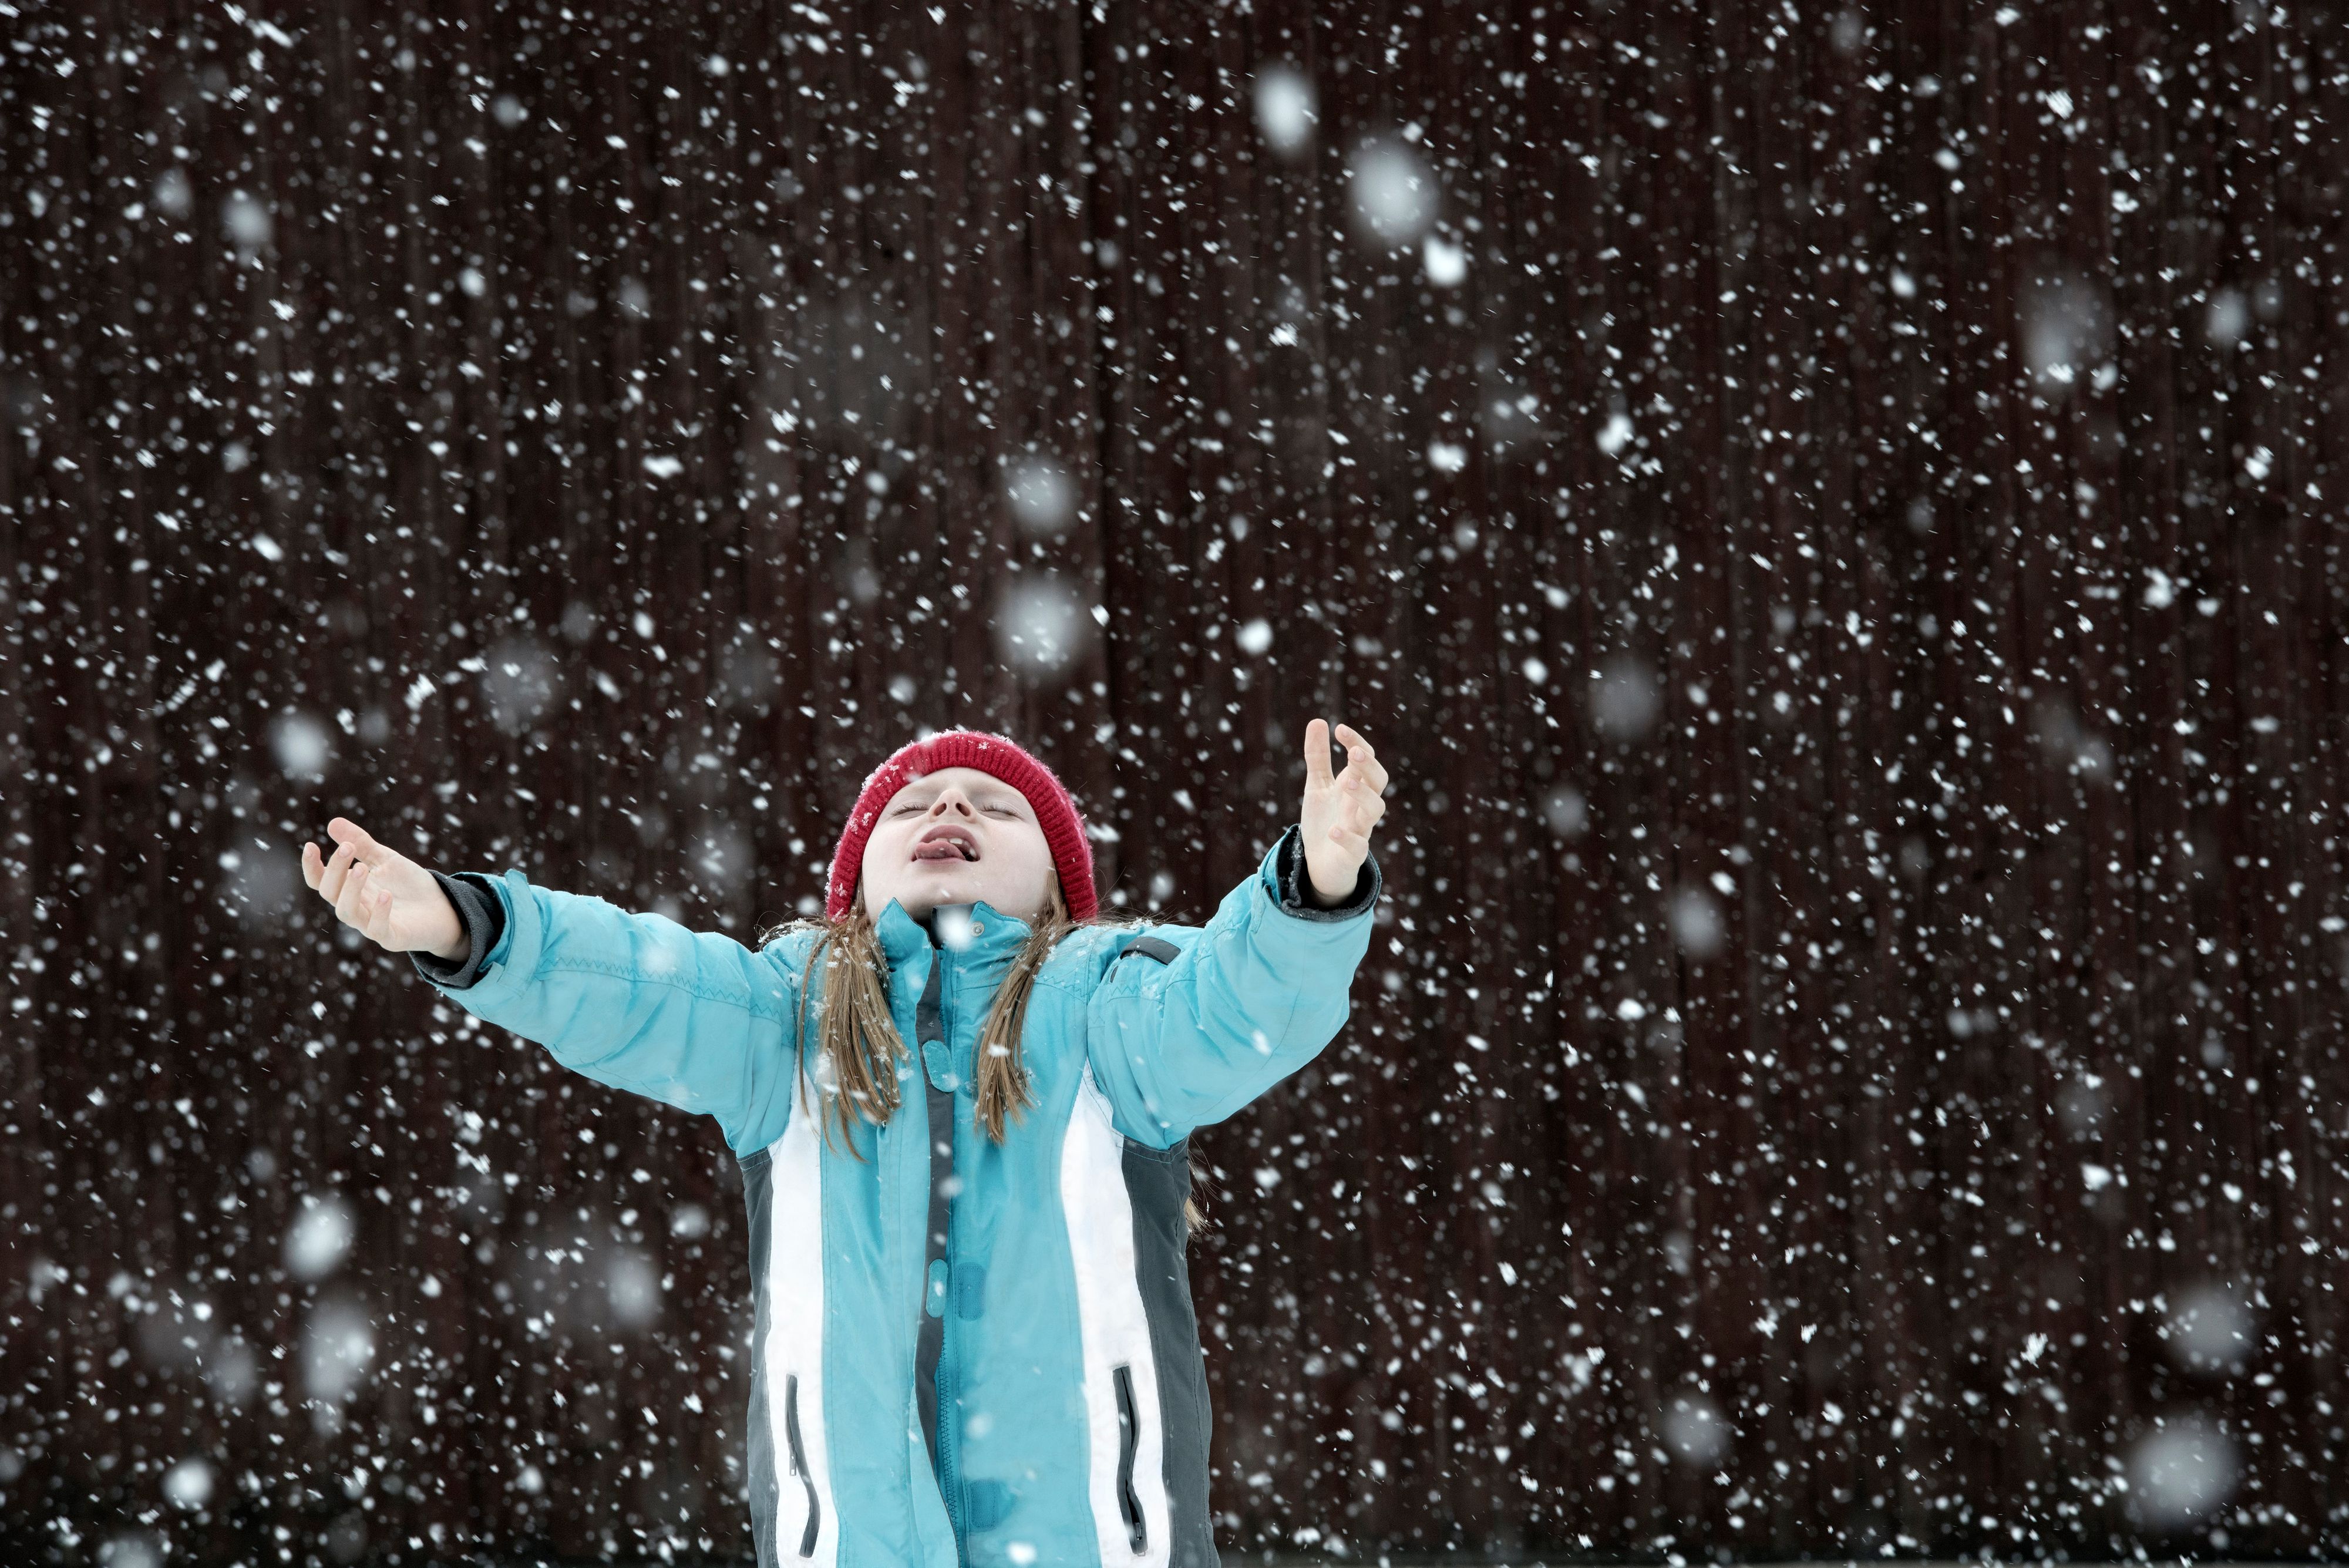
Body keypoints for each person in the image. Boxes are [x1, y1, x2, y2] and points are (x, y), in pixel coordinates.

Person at [298, 720, 1389, 1568]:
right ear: (855, 892)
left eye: (995, 807)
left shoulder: (1107, 1006)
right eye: (913, 802)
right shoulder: (786, 1021)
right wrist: (459, 923)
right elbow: (630, 981)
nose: (950, 802)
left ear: (1060, 890)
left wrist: (1314, 887)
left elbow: (1235, 1004)